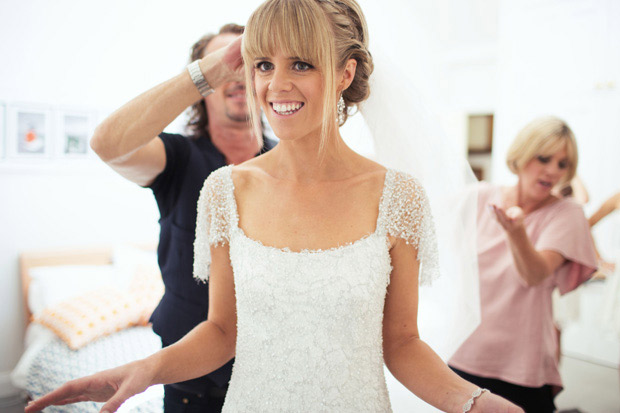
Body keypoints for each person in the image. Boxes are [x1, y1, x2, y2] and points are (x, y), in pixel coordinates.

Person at [25, 1, 522, 412]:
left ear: (346, 72)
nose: (275, 85)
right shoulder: (224, 190)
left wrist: (472, 400)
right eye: (264, 64)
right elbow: (221, 331)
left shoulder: (398, 197)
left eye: (301, 63)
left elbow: (403, 344)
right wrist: (145, 370)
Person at [88, 23, 276, 412]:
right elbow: (108, 144)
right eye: (228, 64)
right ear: (203, 85)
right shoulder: (178, 158)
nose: (238, 73)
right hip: (191, 389)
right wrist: (211, 68)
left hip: (273, 379)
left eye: (249, 63)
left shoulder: (288, 163)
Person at [448, 116, 598, 412]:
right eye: (544, 158)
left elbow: (535, 274)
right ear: (523, 154)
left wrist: (516, 233)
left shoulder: (566, 214)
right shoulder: (478, 197)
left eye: (563, 164)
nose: (553, 171)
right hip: (464, 352)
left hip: (520, 364)